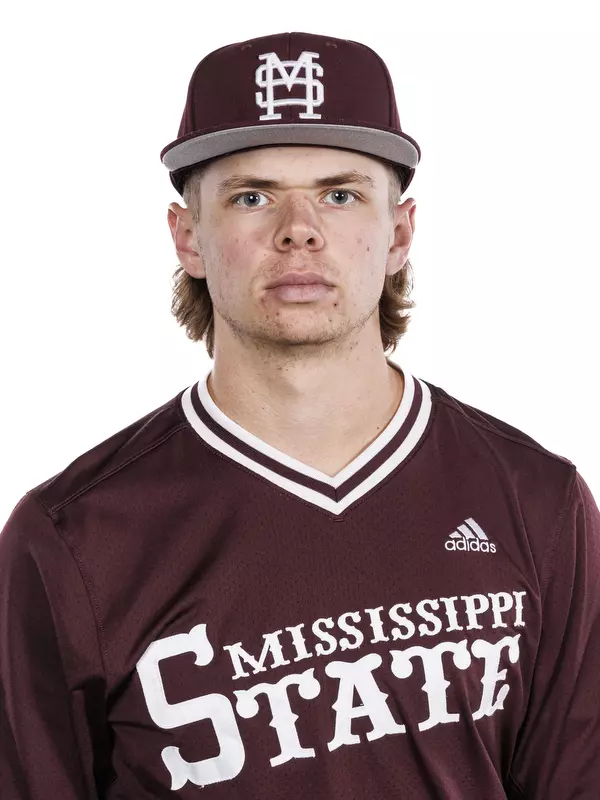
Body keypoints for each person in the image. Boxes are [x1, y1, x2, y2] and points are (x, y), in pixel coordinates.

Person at [0, 30, 598, 800]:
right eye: (252, 196)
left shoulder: (536, 502)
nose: (298, 229)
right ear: (188, 237)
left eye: (339, 193)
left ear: (400, 233)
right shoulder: (71, 538)